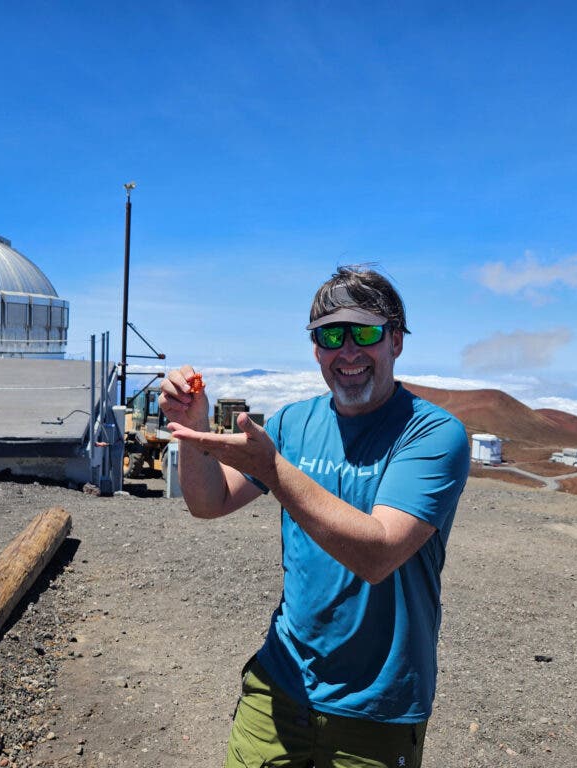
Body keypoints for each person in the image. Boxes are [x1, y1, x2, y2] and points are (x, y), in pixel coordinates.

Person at [158, 266, 470, 768]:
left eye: (364, 333)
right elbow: (208, 502)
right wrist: (192, 430)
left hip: (377, 710)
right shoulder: (293, 423)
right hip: (279, 687)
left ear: (396, 342)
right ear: (315, 349)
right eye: (330, 335)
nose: (347, 351)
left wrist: (275, 471)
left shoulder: (433, 434)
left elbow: (379, 552)